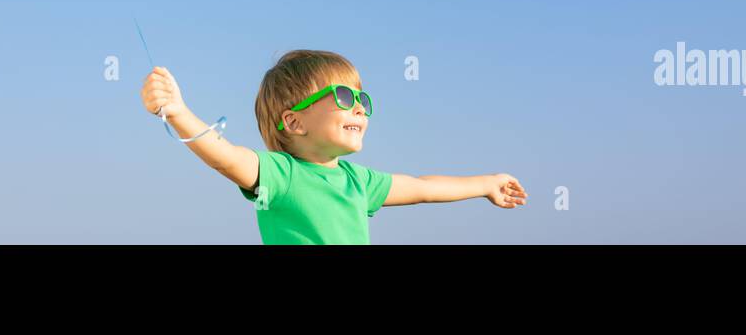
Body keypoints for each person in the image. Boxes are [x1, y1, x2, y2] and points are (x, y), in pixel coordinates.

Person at [139, 48, 527, 244]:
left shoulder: (359, 182)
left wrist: (486, 183)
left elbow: (424, 187)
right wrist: (178, 112)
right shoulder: (282, 175)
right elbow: (225, 158)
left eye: (362, 99)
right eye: (343, 95)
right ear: (294, 121)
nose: (359, 106)